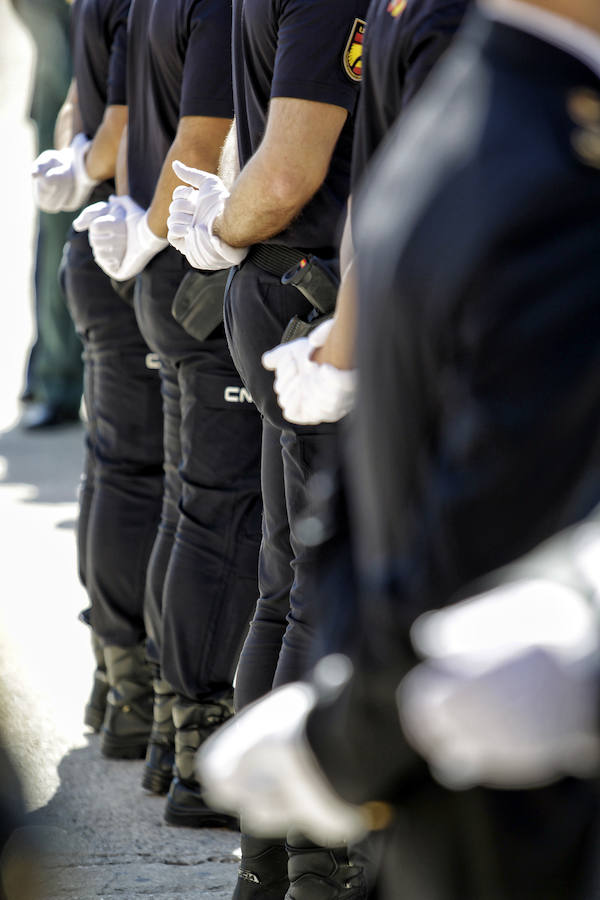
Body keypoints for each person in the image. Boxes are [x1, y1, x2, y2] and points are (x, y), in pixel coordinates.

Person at [196, 0, 600, 896]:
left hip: (438, 755)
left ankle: (283, 855)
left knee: (282, 579)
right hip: (514, 799)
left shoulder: (480, 92)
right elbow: (488, 522)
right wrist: (353, 742)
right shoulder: (549, 168)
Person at [166, 0, 371, 894]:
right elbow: (287, 173)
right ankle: (316, 861)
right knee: (320, 589)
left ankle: (269, 862)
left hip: (286, 282)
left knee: (287, 586)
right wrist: (221, 229)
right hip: (312, 290)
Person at [75, 0, 263, 828]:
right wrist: (151, 236)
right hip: (185, 261)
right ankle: (192, 739)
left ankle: (151, 713)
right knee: (212, 512)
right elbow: (193, 144)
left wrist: (120, 212)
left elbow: (102, 126)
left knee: (173, 498)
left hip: (149, 250)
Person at [30, 0, 166, 752]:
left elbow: (76, 111)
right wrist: (85, 165)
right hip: (131, 242)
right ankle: (133, 685)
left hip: (104, 239)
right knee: (143, 476)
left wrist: (74, 162)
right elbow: (115, 126)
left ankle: (116, 680)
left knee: (117, 467)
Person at [11, 0, 84, 430]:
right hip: (69, 85)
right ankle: (55, 373)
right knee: (60, 230)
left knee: (61, 232)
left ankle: (54, 370)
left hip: (85, 76)